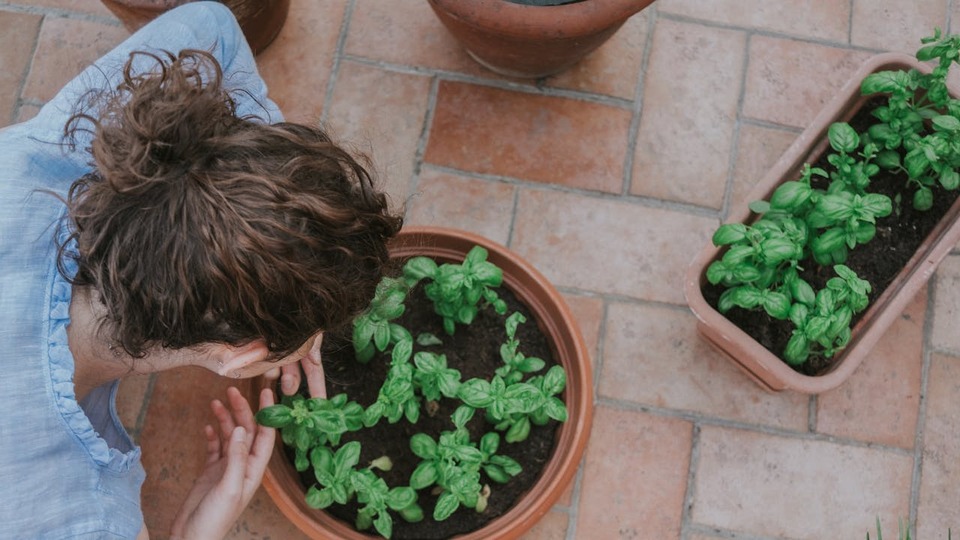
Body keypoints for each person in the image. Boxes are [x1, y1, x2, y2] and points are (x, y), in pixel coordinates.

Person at [0, 2, 402, 538]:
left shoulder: (42, 163)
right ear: (242, 359)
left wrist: (272, 235)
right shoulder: (79, 515)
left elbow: (213, 26)